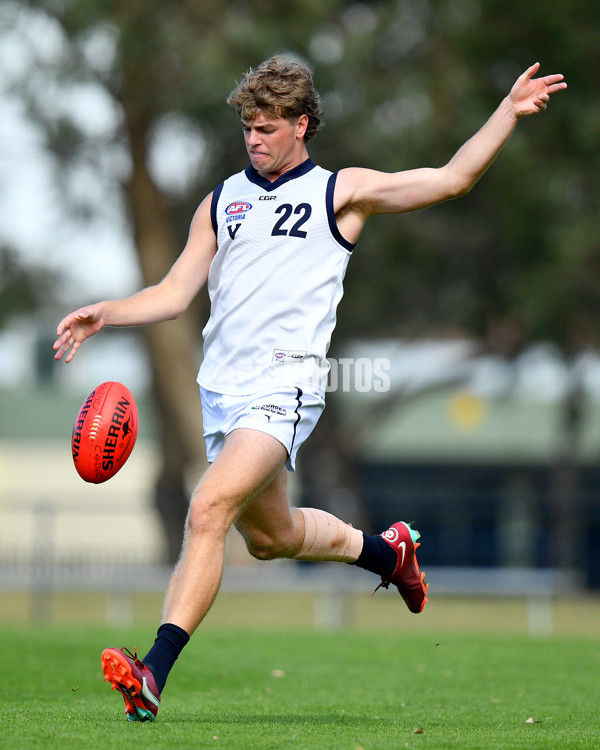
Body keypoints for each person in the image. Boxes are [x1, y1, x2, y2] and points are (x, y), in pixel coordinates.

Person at [53, 55, 566, 721]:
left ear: (302, 124)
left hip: (286, 387)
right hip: (224, 394)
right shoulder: (221, 202)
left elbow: (451, 179)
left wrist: (506, 112)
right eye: (247, 129)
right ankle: (389, 552)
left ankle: (153, 672)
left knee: (207, 510)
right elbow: (175, 293)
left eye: (267, 127)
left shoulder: (339, 193)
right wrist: (107, 312)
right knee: (271, 538)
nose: (254, 139)